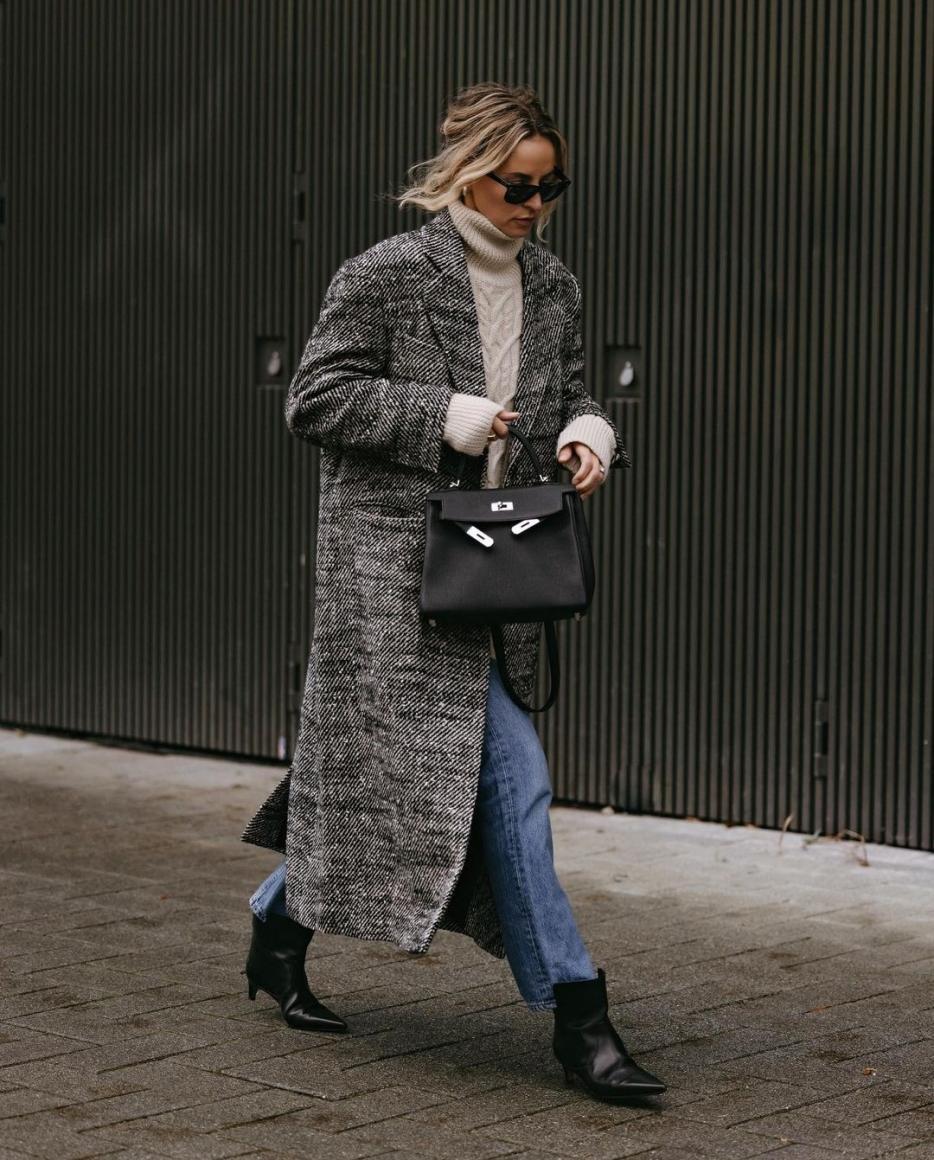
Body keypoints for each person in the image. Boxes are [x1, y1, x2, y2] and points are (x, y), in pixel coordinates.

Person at [241, 82, 666, 1104]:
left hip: (497, 574)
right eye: (518, 186)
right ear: (468, 175)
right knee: (509, 787)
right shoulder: (386, 273)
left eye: (551, 187)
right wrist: (443, 414)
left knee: (391, 783)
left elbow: (566, 391)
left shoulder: (552, 285)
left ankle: (277, 925)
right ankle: (579, 1014)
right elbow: (316, 397)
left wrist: (589, 432)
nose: (535, 206)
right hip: (395, 584)